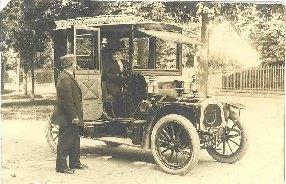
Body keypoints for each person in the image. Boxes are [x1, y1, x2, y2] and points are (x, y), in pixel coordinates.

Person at [51, 54, 88, 174]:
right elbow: (67, 101)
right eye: (75, 62)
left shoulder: (68, 76)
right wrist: (74, 117)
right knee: (65, 141)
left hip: (70, 116)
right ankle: (61, 167)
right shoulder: (65, 78)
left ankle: (75, 163)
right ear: (71, 64)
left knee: (75, 139)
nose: (76, 65)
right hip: (66, 117)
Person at [102, 40, 129, 117]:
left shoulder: (125, 62)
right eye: (114, 54)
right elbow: (107, 74)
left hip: (123, 84)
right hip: (112, 84)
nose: (116, 56)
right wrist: (117, 76)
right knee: (119, 95)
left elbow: (129, 71)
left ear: (121, 55)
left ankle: (127, 113)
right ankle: (118, 114)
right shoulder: (108, 63)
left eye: (118, 54)